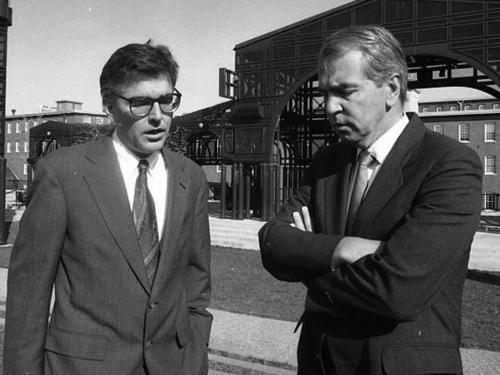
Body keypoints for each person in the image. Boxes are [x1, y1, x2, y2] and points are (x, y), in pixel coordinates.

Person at [259, 25, 482, 375]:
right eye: (326, 93)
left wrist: (311, 259)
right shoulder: (327, 163)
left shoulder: (449, 164)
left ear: (391, 88)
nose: (330, 107)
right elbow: (273, 242)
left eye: (345, 92)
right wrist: (345, 248)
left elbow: (396, 290)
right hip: (320, 363)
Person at [4, 41, 212, 375]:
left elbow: (196, 284)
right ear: (108, 106)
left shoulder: (190, 177)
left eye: (166, 100)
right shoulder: (62, 173)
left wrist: (194, 358)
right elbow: (28, 299)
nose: (158, 117)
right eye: (141, 103)